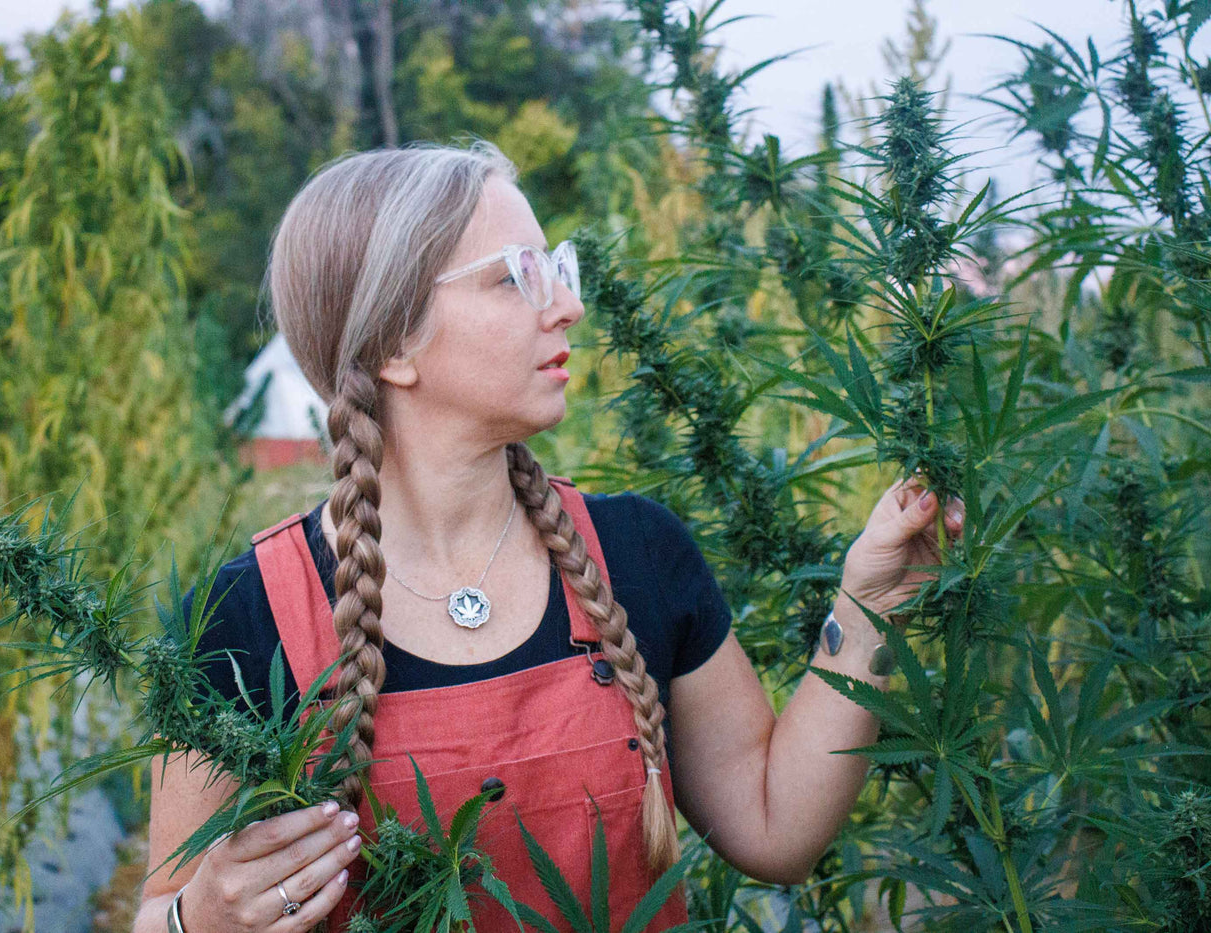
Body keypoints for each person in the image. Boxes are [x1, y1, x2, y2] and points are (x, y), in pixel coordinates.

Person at [129, 139, 966, 933]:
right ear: (393, 343)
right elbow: (158, 909)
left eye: (554, 269)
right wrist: (194, 916)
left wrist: (869, 608)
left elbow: (778, 828)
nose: (567, 305)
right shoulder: (245, 617)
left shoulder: (639, 552)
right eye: (515, 278)